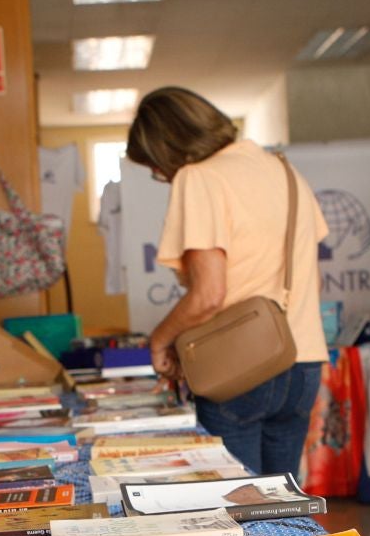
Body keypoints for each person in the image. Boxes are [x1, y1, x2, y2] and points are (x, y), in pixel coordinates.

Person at [127, 87, 329, 476]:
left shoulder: (199, 177)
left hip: (238, 369)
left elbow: (208, 295)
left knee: (237, 514)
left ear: (169, 147)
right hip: (303, 364)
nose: (157, 174)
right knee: (281, 507)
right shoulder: (284, 170)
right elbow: (313, 281)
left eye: (154, 164)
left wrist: (159, 340)